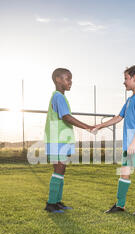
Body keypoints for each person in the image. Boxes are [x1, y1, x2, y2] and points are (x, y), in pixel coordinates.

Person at [93, 65, 135, 215]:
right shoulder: (130, 100)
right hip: (130, 144)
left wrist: (134, 142)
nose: (124, 82)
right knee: (126, 172)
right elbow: (118, 117)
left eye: (126, 78)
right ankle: (121, 205)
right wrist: (100, 125)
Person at [44, 68, 95, 213]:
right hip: (57, 139)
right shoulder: (58, 96)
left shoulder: (60, 96)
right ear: (58, 80)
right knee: (59, 169)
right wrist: (87, 127)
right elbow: (66, 117)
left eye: (71, 79)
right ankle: (51, 204)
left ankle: (57, 202)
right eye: (68, 79)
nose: (70, 82)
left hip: (61, 139)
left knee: (61, 169)